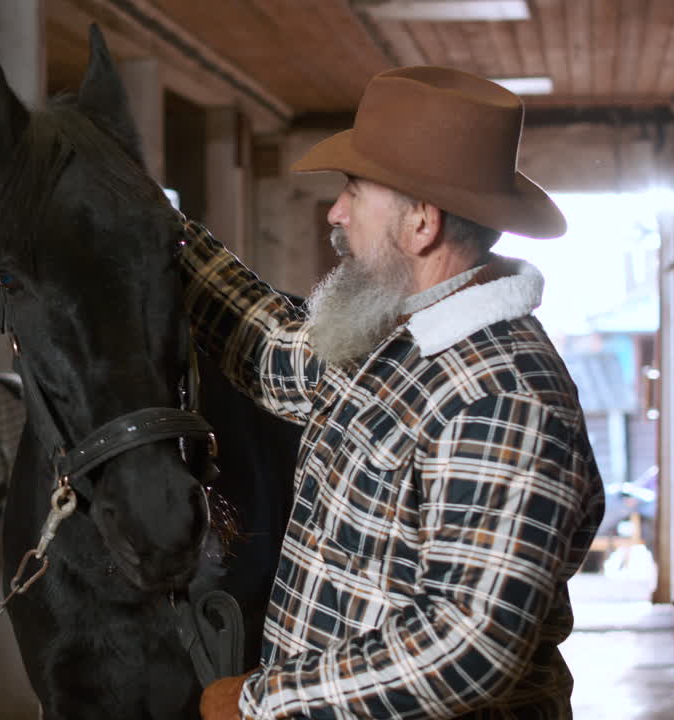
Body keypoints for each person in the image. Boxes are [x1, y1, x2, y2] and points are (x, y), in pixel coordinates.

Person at [186, 66, 605, 719]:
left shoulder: (504, 396)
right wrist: (160, 233)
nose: (337, 212)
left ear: (420, 224)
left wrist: (262, 701)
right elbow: (271, 351)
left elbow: (466, 648)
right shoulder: (395, 339)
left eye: (355, 192)